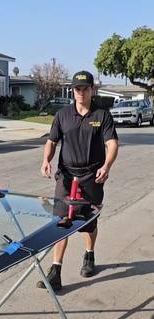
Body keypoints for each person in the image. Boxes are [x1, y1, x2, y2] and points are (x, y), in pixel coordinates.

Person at [37, 70, 118, 292]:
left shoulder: (102, 116)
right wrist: (46, 160)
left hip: (92, 176)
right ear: (72, 91)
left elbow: (112, 144)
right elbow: (52, 142)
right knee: (61, 220)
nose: (81, 92)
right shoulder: (62, 115)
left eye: (85, 88)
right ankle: (56, 270)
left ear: (92, 90)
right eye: (77, 89)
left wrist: (106, 166)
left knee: (89, 222)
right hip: (66, 176)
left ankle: (89, 256)